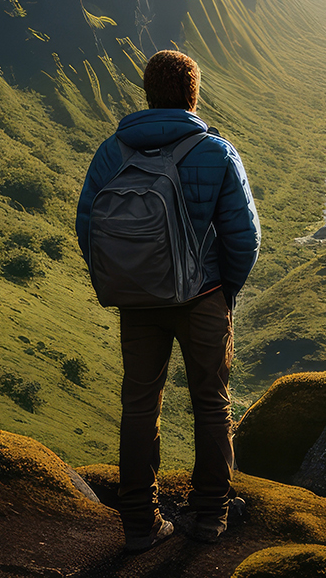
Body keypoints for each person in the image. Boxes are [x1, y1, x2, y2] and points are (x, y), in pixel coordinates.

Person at [75, 49, 260, 552]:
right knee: (212, 405)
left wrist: (126, 276)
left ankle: (139, 521)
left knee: (139, 406)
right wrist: (226, 290)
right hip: (203, 297)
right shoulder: (216, 151)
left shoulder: (113, 150)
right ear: (192, 93)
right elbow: (244, 237)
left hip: (139, 302)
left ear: (148, 92)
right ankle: (209, 516)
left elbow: (87, 225)